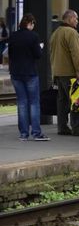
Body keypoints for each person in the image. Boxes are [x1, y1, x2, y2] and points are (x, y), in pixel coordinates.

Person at [49, 9, 79, 137]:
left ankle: (62, 127)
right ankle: (77, 128)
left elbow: (51, 53)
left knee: (62, 101)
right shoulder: (71, 33)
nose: (77, 21)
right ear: (69, 19)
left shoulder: (56, 33)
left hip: (58, 72)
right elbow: (76, 54)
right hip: (69, 72)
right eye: (76, 18)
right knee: (76, 100)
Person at [8, 13, 49, 141]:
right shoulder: (33, 36)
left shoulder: (13, 36)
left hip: (15, 73)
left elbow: (10, 54)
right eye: (33, 24)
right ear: (30, 23)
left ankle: (24, 134)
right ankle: (36, 133)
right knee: (34, 103)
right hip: (30, 73)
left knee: (22, 103)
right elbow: (37, 55)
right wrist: (40, 48)